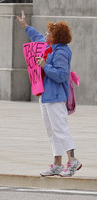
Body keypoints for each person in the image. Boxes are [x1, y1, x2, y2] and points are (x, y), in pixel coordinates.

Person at [16, 11, 81, 177]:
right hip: (45, 96)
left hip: (56, 96)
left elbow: (61, 75)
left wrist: (45, 65)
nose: (46, 34)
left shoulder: (61, 52)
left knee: (60, 129)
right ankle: (57, 163)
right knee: (51, 131)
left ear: (56, 36)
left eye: (49, 33)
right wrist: (25, 26)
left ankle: (73, 161)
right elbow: (37, 37)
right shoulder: (48, 47)